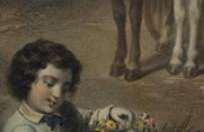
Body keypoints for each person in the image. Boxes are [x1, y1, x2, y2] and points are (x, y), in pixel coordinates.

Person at [4, 39, 134, 132]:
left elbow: (86, 118)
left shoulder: (63, 109)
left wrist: (110, 113)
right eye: (50, 83)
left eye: (65, 88)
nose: (58, 94)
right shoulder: (21, 129)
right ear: (27, 80)